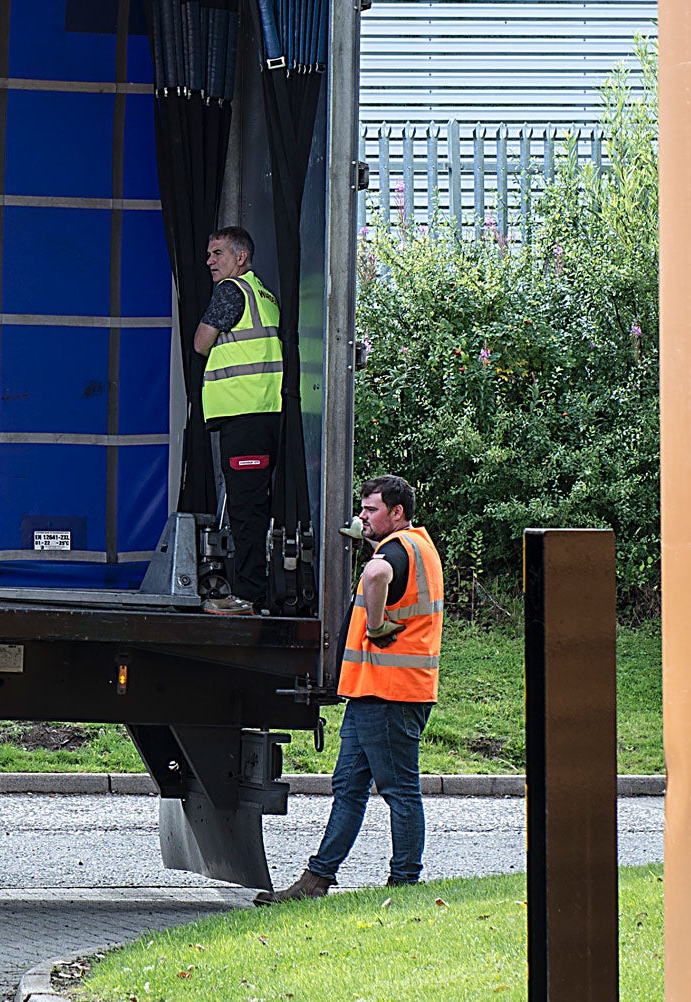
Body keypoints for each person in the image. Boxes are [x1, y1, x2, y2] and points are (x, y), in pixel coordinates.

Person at [257, 474, 444, 904]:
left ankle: (405, 884)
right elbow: (380, 558)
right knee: (349, 787)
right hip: (376, 692)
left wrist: (376, 626)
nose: (363, 516)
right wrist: (363, 531)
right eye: (362, 509)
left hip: (390, 694)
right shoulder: (418, 546)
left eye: (371, 509)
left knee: (399, 790)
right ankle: (317, 879)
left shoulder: (395, 551)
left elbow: (378, 573)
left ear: (398, 513)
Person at [193, 225, 286, 616]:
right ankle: (255, 591)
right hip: (262, 415)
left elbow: (201, 342)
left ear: (240, 257)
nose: (209, 261)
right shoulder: (264, 294)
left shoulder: (232, 291)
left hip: (244, 415)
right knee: (255, 508)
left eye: (217, 254)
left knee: (246, 511)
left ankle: (249, 597)